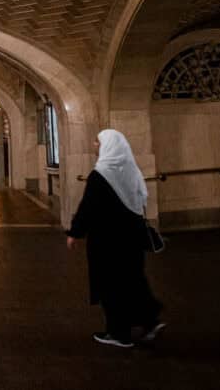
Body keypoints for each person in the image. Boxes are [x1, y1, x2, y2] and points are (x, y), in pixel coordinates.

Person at [66, 129, 164, 348]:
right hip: (132, 238)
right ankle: (149, 320)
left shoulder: (101, 174)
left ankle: (119, 334)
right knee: (133, 279)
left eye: (97, 142)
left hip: (107, 241)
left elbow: (88, 207)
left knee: (110, 285)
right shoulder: (131, 171)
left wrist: (75, 232)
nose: (94, 145)